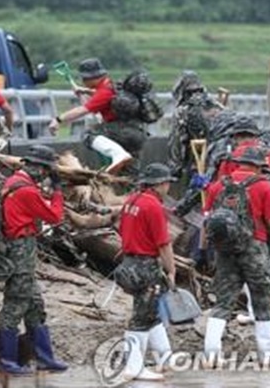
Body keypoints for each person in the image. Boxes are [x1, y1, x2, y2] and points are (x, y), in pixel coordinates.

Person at [201, 147, 270, 367]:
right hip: (254, 249)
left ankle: (211, 354)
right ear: (260, 166)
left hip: (225, 252)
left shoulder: (217, 186)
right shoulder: (263, 186)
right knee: (262, 300)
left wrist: (205, 249)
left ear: (239, 163)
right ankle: (266, 355)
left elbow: (207, 220)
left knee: (223, 302)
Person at [213, 116, 270, 324]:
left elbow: (218, 189)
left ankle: (253, 310)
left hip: (240, 223)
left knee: (243, 260)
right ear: (256, 135)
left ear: (236, 137)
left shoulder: (229, 158)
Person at [0, 145, 67, 375]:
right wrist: (57, 190)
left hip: (18, 248)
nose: (45, 174)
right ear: (36, 167)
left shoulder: (12, 183)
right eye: (45, 170)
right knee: (16, 303)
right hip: (21, 250)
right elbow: (55, 216)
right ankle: (6, 361)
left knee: (35, 304)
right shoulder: (26, 190)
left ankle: (45, 358)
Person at [113, 163, 177, 381]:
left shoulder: (131, 201)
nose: (168, 186)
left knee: (150, 311)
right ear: (158, 184)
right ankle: (133, 367)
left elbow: (121, 229)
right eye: (167, 182)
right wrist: (171, 270)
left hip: (128, 263)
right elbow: (164, 244)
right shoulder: (153, 206)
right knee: (141, 318)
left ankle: (165, 358)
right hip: (145, 266)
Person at [47, 58, 137, 174]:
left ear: (91, 78)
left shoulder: (104, 92)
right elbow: (98, 99)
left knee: (89, 134)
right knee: (128, 172)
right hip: (134, 132)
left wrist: (58, 119)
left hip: (121, 131)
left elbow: (83, 110)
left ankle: (119, 154)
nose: (83, 81)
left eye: (84, 79)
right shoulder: (110, 85)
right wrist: (85, 91)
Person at [167, 70, 224, 178]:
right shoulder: (215, 105)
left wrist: (176, 166)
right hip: (217, 157)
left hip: (196, 158)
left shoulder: (183, 110)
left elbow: (176, 141)